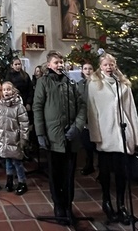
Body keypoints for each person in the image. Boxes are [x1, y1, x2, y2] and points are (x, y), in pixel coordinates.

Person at [88, 53, 138, 225]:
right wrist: (95, 135)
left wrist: (136, 135)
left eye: (111, 64)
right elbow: (92, 110)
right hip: (105, 132)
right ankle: (106, 202)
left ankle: (121, 204)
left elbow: (131, 109)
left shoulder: (123, 84)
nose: (109, 67)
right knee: (105, 171)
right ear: (100, 66)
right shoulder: (94, 83)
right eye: (105, 65)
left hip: (122, 132)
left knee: (122, 172)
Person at [33, 51, 87, 224]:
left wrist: (77, 127)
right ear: (49, 65)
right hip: (53, 136)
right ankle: (58, 206)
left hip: (70, 136)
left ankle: (68, 206)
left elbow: (82, 106)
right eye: (56, 62)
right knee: (56, 174)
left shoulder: (71, 83)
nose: (60, 65)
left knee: (69, 174)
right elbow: (37, 108)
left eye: (61, 62)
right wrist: (40, 133)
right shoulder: (43, 82)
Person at [0, 81, 30, 195]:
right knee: (8, 161)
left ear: (13, 91)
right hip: (4, 139)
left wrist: (24, 138)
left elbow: (24, 124)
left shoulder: (19, 106)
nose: (6, 92)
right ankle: (9, 180)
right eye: (4, 90)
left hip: (15, 140)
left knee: (17, 163)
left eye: (8, 89)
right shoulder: (0, 105)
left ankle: (22, 182)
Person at [77, 62, 96, 175]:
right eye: (85, 68)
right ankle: (89, 163)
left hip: (94, 115)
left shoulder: (96, 83)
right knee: (86, 142)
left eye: (90, 68)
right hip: (83, 115)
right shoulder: (79, 83)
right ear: (82, 71)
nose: (88, 71)